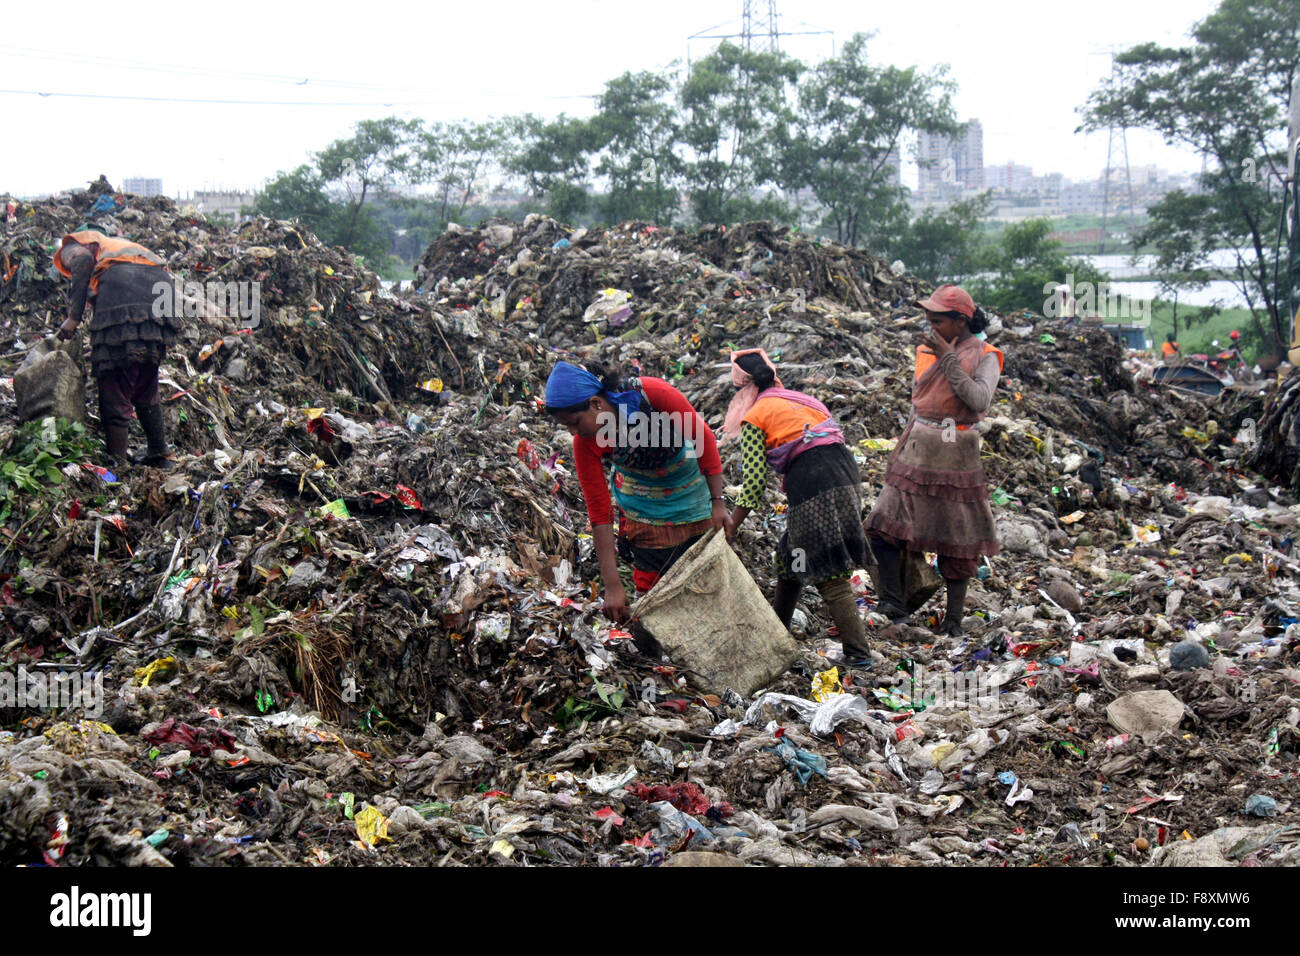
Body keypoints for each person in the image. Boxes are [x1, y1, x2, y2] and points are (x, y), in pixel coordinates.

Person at [864, 285, 1003, 638]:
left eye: (937, 321)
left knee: (957, 540)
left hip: (955, 454)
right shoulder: (927, 350)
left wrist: (950, 360)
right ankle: (894, 604)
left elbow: (977, 400)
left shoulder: (985, 355)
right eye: (928, 320)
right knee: (882, 528)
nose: (931, 328)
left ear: (960, 322)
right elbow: (918, 401)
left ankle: (953, 622)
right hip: (916, 452)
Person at [545, 361, 726, 623]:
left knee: (705, 581)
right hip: (642, 507)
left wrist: (717, 502)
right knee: (650, 593)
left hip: (690, 492)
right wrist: (613, 585)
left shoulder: (651, 394)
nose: (574, 432)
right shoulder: (585, 443)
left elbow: (704, 439)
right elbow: (600, 513)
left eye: (575, 422)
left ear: (596, 404)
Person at [721, 349, 871, 661]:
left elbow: (754, 483)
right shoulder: (803, 399)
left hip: (813, 480)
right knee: (791, 557)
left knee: (830, 571)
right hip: (845, 471)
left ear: (744, 389)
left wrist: (732, 523)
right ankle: (777, 633)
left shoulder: (755, 416)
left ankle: (859, 655)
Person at [53, 229, 179, 468]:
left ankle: (118, 463)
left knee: (113, 377)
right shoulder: (119, 247)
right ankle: (159, 450)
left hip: (127, 286)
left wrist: (73, 318)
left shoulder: (74, 245)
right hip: (160, 290)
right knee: (144, 374)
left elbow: (81, 260)